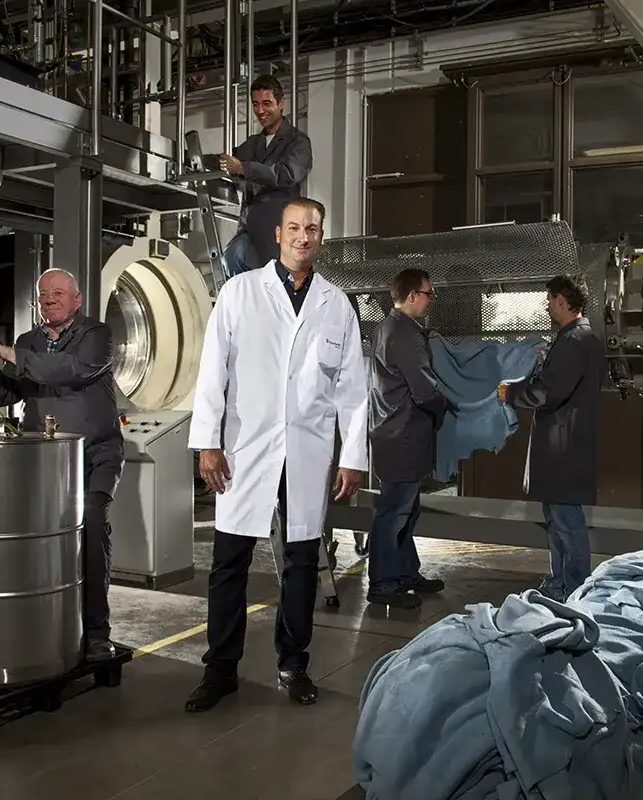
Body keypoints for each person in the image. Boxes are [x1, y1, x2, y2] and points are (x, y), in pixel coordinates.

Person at [186, 197, 367, 712]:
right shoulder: (240, 293)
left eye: (312, 229)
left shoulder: (337, 304)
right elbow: (212, 374)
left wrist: (353, 456)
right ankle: (220, 669)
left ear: (321, 236)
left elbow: (353, 389)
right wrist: (208, 443)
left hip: (307, 451)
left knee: (303, 560)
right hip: (246, 449)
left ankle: (293, 663)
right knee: (230, 562)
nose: (303, 237)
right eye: (294, 228)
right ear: (278, 232)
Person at [0, 268, 124, 663]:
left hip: (94, 457)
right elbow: (5, 395)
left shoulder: (96, 336)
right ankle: (44, 628)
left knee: (90, 529)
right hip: (44, 463)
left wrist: (5, 352)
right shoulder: (29, 341)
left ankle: (96, 634)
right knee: (40, 543)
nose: (50, 300)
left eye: (58, 293)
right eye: (43, 295)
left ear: (76, 299)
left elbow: (71, 371)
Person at [497, 274, 606, 601]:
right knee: (558, 519)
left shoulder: (573, 341)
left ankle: (575, 590)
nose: (547, 306)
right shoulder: (581, 338)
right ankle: (560, 584)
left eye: (549, 300)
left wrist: (512, 392)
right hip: (569, 444)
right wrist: (550, 363)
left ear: (562, 300)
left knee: (567, 521)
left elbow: (550, 393)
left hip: (563, 448)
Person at [366, 268, 450, 609]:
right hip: (403, 434)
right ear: (413, 295)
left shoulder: (386, 327)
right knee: (394, 512)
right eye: (429, 293)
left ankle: (403, 572)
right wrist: (447, 405)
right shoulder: (405, 334)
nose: (430, 300)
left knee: (405, 509)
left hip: (391, 432)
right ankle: (384, 583)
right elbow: (423, 388)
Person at [219, 74, 313, 279]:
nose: (260, 111)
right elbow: (227, 162)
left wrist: (245, 169)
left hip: (278, 232)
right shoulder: (253, 144)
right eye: (256, 104)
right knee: (232, 259)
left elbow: (286, 174)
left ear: (281, 103)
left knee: (276, 288)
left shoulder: (298, 142)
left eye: (267, 103)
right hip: (250, 230)